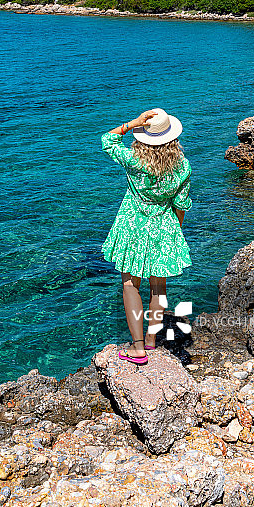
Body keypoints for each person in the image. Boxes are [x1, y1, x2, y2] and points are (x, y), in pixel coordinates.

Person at [101, 108, 192, 365]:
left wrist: (132, 122)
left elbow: (107, 140)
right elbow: (181, 205)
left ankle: (138, 348)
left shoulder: (134, 160)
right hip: (165, 226)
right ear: (172, 138)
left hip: (132, 226)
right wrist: (176, 233)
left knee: (131, 284)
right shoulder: (182, 167)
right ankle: (152, 341)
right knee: (158, 287)